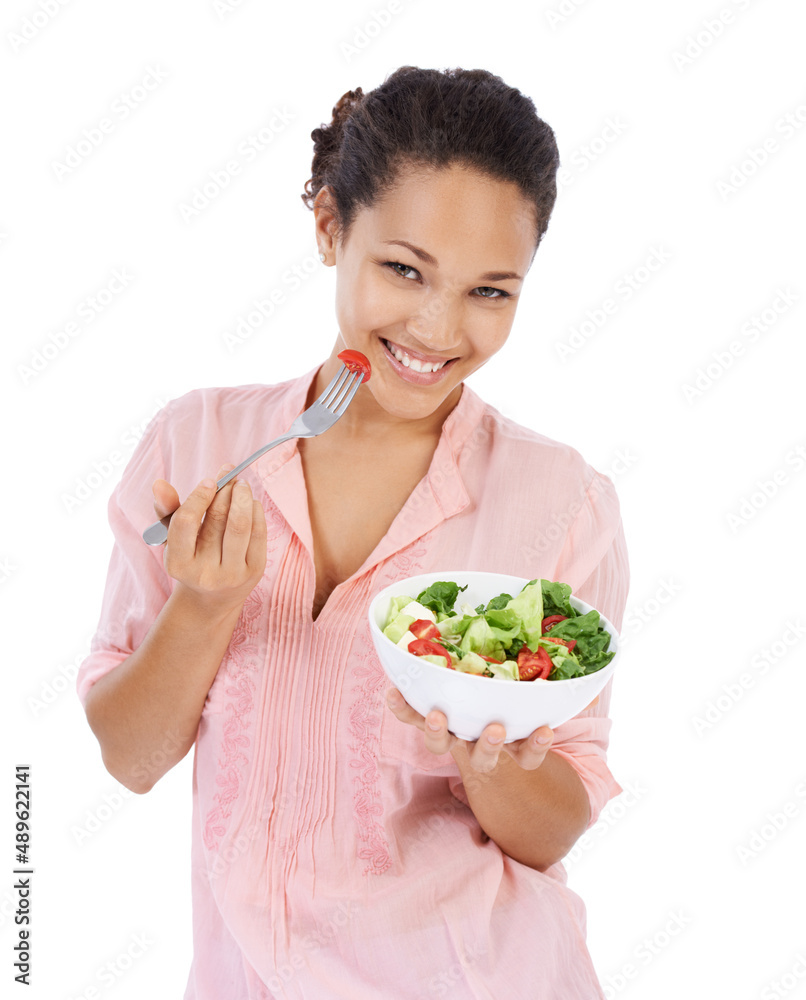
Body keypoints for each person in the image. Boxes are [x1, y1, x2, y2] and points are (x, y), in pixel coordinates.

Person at [77, 65, 629, 999]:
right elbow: (130, 758)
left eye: (490, 292)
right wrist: (204, 607)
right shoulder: (199, 444)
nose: (437, 327)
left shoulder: (560, 500)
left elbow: (552, 827)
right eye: (404, 269)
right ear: (332, 228)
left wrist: (487, 759)